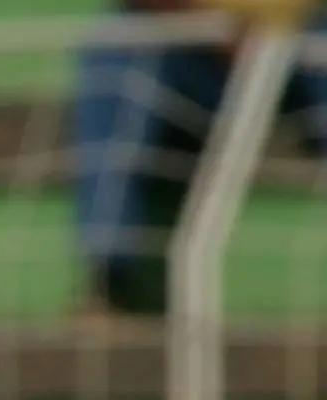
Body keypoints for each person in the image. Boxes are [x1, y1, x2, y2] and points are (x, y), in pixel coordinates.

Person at [73, 1, 321, 316]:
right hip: (198, 42)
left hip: (309, 38)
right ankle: (117, 287)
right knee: (116, 46)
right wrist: (219, 28)